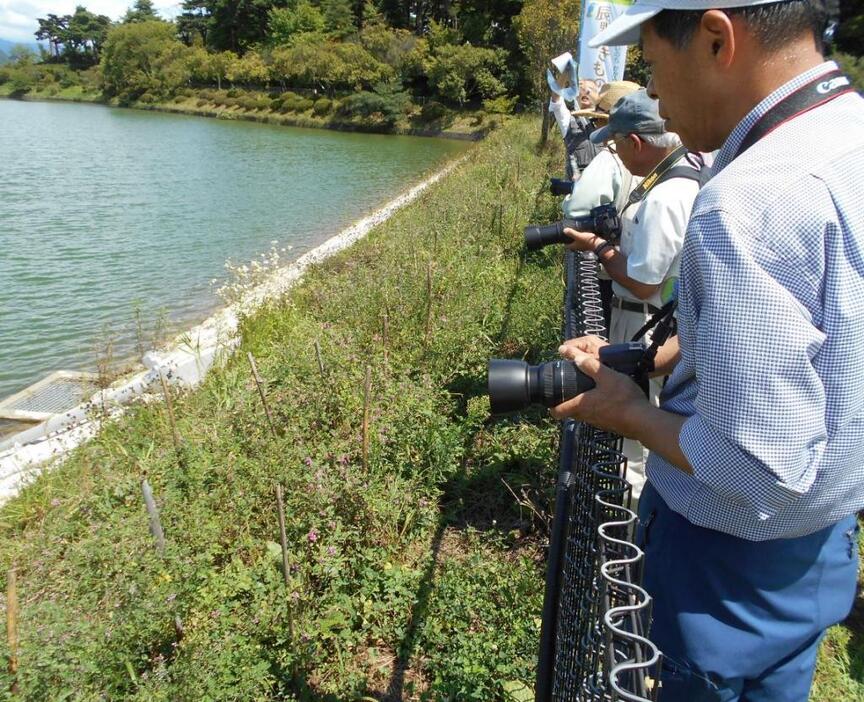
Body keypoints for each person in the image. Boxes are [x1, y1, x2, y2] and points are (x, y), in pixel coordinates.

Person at [552, 2, 864, 700]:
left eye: (658, 67)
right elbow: (824, 327)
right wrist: (668, 354)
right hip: (821, 549)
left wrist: (628, 414)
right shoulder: (849, 142)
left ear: (718, 38)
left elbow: (756, 467)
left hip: (724, 571)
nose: (655, 96)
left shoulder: (747, 202)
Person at [562, 88, 703, 500]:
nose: (616, 154)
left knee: (637, 440)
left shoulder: (665, 196)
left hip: (646, 321)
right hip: (659, 322)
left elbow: (644, 282)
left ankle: (628, 539)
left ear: (636, 142)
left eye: (617, 144)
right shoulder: (680, 177)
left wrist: (597, 247)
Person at [561, 80, 643, 331]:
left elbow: (575, 210)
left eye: (597, 120)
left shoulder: (611, 159)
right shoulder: (667, 158)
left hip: (617, 269)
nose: (595, 127)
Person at [548, 79, 600, 181]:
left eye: (590, 89)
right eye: (581, 89)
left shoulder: (606, 122)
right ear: (576, 95)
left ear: (598, 96)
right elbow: (556, 99)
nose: (586, 92)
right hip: (577, 188)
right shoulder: (568, 120)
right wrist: (564, 72)